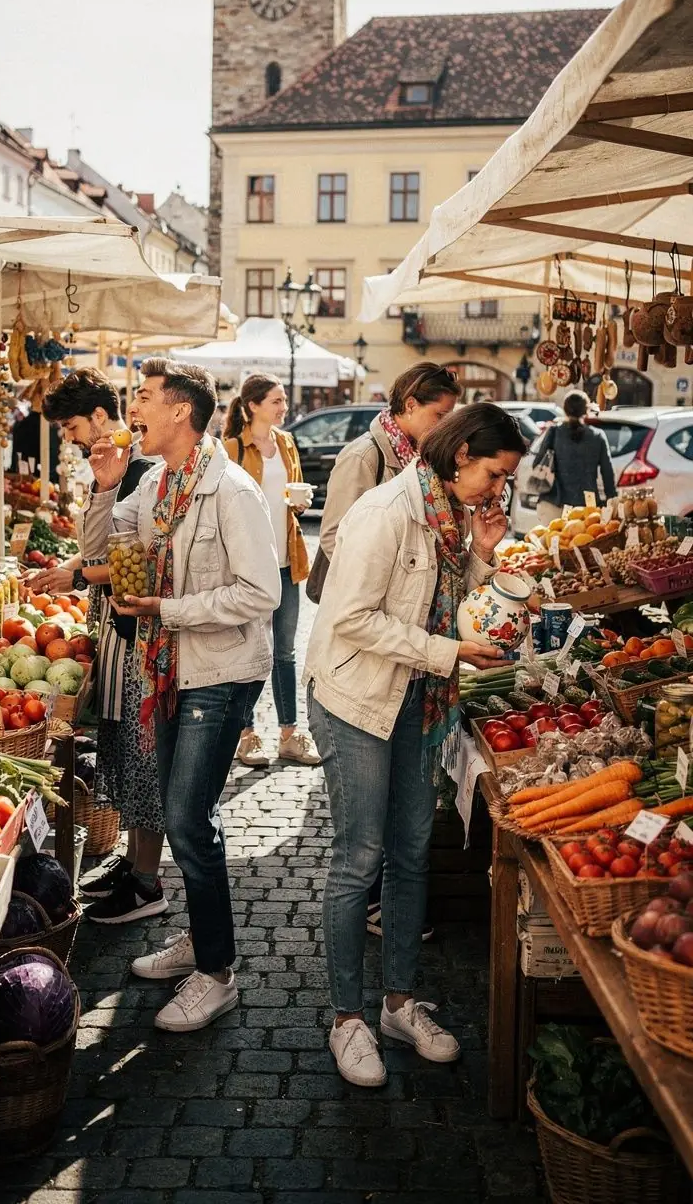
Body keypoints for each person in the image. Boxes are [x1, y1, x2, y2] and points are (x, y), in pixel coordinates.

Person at [304, 403, 527, 1087]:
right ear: (462, 456)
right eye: (495, 475)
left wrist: (483, 558)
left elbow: (443, 600)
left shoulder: (449, 516)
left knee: (409, 853)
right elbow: (351, 618)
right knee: (359, 858)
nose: (498, 492)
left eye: (507, 482)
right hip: (356, 700)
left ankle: (399, 1003)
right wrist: (448, 649)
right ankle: (347, 1019)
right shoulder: (386, 512)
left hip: (416, 698)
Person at [82, 358, 281, 1032]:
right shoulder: (160, 483)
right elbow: (108, 550)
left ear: (179, 413)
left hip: (220, 673)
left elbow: (263, 594)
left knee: (190, 819)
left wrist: (168, 610)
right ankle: (202, 939)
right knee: (180, 814)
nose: (132, 410)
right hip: (172, 667)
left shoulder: (232, 493)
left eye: (143, 398)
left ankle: (217, 974)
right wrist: (107, 488)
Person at [37, 367, 163, 923]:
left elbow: (136, 560)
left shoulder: (142, 470)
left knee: (141, 754)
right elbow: (95, 547)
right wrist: (75, 568)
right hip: (115, 631)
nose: (69, 436)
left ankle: (147, 881)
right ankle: (135, 861)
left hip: (138, 634)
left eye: (70, 425)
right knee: (120, 748)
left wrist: (80, 575)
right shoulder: (112, 468)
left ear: (98, 417)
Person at [223, 374, 320, 769]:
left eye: (283, 400)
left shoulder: (286, 443)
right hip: (247, 567)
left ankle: (288, 735)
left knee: (285, 650)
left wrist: (299, 503)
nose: (283, 407)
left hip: (285, 560)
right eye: (276, 401)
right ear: (252, 407)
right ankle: (245, 736)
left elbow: (288, 497)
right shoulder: (231, 449)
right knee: (248, 649)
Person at [315, 363, 462, 581]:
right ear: (411, 405)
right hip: (373, 597)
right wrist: (374, 586)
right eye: (440, 415)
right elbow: (334, 537)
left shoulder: (423, 455)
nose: (443, 426)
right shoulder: (363, 456)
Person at [534, 389, 616, 525]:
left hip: (555, 502)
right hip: (587, 506)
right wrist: (611, 501)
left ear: (565, 409)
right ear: (586, 410)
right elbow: (608, 474)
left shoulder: (554, 432)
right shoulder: (597, 436)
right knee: (583, 542)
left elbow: (537, 464)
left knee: (554, 543)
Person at [11, 407, 60, 482]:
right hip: (48, 478)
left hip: (26, 478)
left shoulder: (21, 425)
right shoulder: (52, 427)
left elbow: (17, 455)